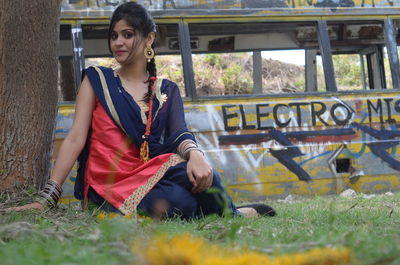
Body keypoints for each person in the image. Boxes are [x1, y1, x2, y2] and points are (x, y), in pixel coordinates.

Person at [5, 2, 275, 219]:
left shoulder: (166, 89)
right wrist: (47, 197)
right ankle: (235, 213)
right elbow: (75, 138)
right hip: (108, 185)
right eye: (114, 35)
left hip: (151, 174)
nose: (118, 43)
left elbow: (179, 131)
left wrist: (195, 154)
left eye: (127, 34)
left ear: (149, 39)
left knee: (204, 175)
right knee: (178, 202)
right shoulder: (97, 80)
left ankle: (231, 213)